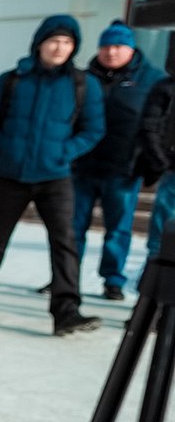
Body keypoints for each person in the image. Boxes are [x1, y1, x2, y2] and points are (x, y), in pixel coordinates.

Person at [0, 15, 105, 334]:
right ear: (40, 42)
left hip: (55, 177)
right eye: (54, 40)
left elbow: (93, 129)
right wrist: (6, 149)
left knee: (64, 243)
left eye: (68, 42)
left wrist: (64, 153)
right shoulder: (12, 79)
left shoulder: (83, 84)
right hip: (11, 175)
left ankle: (66, 311)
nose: (60, 47)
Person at [73, 21, 171, 300]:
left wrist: (152, 161)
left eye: (118, 46)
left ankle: (113, 280)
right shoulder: (84, 77)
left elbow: (159, 123)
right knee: (73, 227)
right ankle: (67, 277)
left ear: (130, 48)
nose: (111, 52)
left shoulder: (151, 78)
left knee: (118, 229)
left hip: (124, 168)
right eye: (105, 46)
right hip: (82, 165)